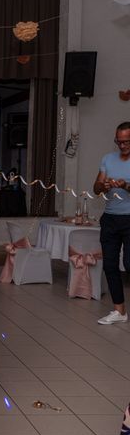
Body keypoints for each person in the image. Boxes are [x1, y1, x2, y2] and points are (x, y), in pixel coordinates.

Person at [93, 121, 130, 325]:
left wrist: (126, 185)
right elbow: (96, 188)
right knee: (109, 265)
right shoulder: (108, 158)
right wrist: (104, 185)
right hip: (110, 219)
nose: (122, 146)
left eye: (126, 142)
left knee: (129, 263)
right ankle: (119, 311)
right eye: (119, 141)